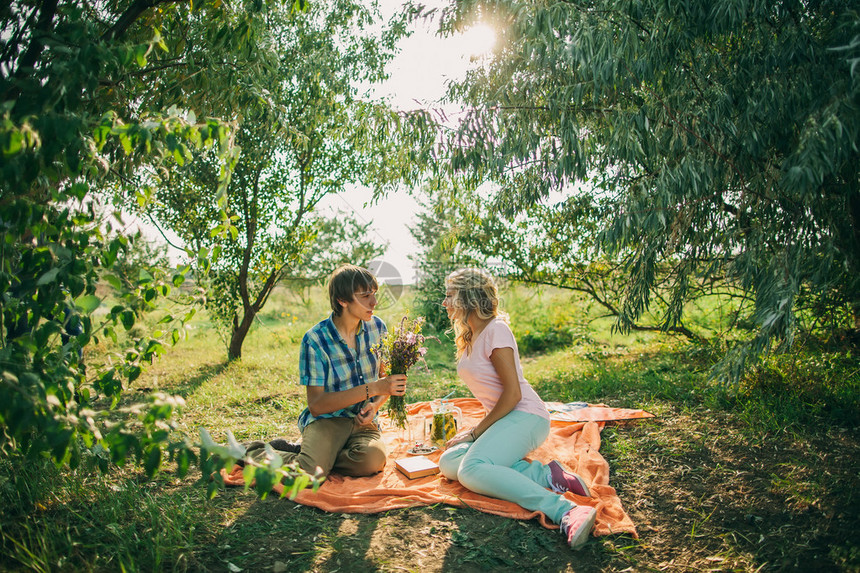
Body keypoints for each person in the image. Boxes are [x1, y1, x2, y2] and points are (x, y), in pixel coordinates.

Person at [438, 268, 597, 550]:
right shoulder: (470, 336)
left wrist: (475, 433)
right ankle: (546, 475)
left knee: (471, 470)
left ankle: (565, 510)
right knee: (449, 463)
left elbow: (512, 395)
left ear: (468, 297)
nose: (444, 303)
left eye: (449, 296)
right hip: (506, 420)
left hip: (526, 416)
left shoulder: (495, 330)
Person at [242, 264, 407, 479]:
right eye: (365, 295)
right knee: (309, 475)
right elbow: (317, 405)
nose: (374, 302)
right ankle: (251, 450)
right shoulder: (315, 340)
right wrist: (372, 388)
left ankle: (312, 455)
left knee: (372, 461)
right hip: (328, 420)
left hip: (363, 423)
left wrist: (375, 405)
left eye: (374, 294)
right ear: (342, 300)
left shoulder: (377, 328)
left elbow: (385, 381)